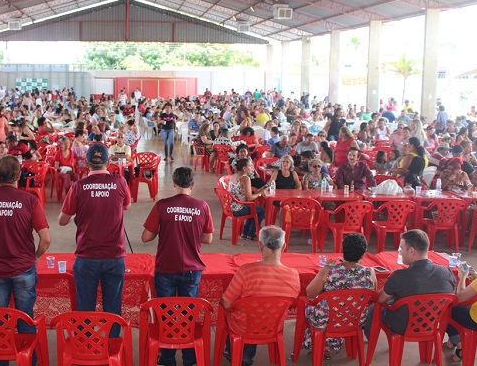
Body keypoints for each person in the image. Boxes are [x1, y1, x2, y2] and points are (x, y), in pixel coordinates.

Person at [0, 155, 51, 366]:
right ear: (19, 175)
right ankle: (29, 361)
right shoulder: (30, 200)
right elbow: (46, 239)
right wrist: (36, 257)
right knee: (25, 319)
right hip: (24, 269)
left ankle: (0, 362)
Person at [141, 167, 214, 366]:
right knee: (188, 315)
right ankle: (190, 358)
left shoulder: (162, 206)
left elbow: (146, 237)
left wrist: (162, 230)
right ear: (193, 184)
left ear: (173, 183)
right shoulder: (202, 206)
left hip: (165, 268)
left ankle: (166, 358)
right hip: (192, 270)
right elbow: (207, 239)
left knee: (165, 315)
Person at [58, 144, 131, 336]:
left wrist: (79, 213)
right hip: (114, 255)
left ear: (87, 163)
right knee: (113, 307)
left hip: (87, 255)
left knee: (85, 307)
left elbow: (62, 221)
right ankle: (112, 348)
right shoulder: (120, 182)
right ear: (108, 162)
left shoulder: (78, 186)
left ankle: (86, 348)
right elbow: (127, 206)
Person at [220, 225, 300, 366]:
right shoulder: (294, 275)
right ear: (283, 247)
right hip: (274, 325)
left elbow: (226, 303)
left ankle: (236, 354)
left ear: (260, 245)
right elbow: (293, 304)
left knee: (238, 314)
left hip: (243, 327)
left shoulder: (246, 271)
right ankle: (245, 357)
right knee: (258, 313)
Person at [365, 229, 456, 338]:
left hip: (403, 325)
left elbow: (380, 299)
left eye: (401, 248)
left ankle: (370, 339)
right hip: (432, 323)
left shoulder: (399, 276)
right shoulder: (447, 272)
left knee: (374, 308)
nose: (400, 252)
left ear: (411, 251)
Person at [302, 233, 376, 358]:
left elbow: (310, 292)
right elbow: (372, 295)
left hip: (327, 319)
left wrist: (324, 268)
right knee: (341, 310)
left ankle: (320, 343)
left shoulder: (330, 270)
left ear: (342, 251)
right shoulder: (370, 272)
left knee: (312, 303)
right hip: (355, 319)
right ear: (363, 254)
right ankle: (331, 344)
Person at [445, 263, 477, 361]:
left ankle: (459, 346)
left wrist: (462, 277)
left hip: (476, 319)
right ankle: (452, 341)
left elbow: (460, 298)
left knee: (445, 306)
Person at [228, 158, 267, 240]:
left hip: (230, 206)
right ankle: (251, 233)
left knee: (252, 207)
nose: (252, 168)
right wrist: (260, 193)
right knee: (261, 210)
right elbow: (249, 198)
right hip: (238, 208)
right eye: (250, 166)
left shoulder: (234, 176)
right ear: (244, 168)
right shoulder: (245, 178)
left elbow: (241, 191)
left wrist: (258, 191)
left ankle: (246, 233)